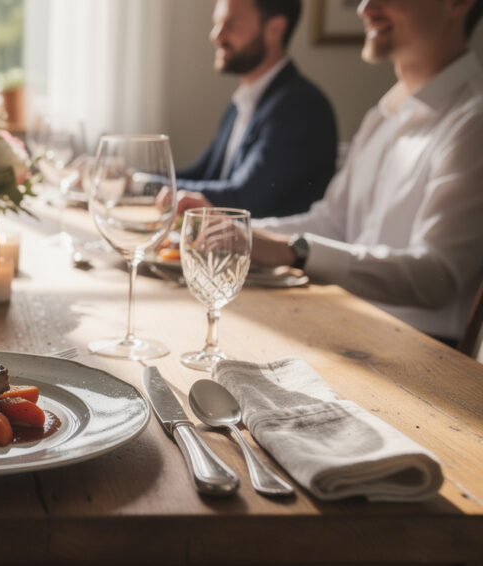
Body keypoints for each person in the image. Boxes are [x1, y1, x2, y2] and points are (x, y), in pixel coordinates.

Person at [177, 0, 483, 345]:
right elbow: (332, 222)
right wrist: (235, 232)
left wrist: (294, 250)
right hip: (343, 327)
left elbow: (437, 278)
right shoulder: (381, 117)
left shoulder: (473, 123)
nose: (365, 8)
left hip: (421, 355)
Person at [176, 0, 338, 219]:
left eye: (230, 24)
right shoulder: (243, 101)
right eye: (217, 23)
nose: (216, 35)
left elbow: (243, 198)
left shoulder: (299, 105)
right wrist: (137, 180)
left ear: (275, 29)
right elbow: (203, 173)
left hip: (262, 249)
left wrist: (148, 186)